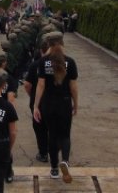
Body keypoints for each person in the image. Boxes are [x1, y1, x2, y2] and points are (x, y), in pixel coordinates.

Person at [33, 32, 78, 183]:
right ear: (62, 43)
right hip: (64, 102)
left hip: (48, 103)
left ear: (49, 44)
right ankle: (64, 160)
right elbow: (73, 86)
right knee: (65, 134)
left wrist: (36, 105)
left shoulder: (43, 61)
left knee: (52, 135)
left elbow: (40, 85)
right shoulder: (70, 62)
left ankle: (53, 168)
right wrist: (75, 103)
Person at [24, 40, 49, 163]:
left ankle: (43, 153)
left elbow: (27, 85)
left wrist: (32, 96)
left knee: (39, 127)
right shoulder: (62, 63)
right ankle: (54, 150)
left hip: (38, 102)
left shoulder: (35, 65)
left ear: (41, 50)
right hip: (56, 101)